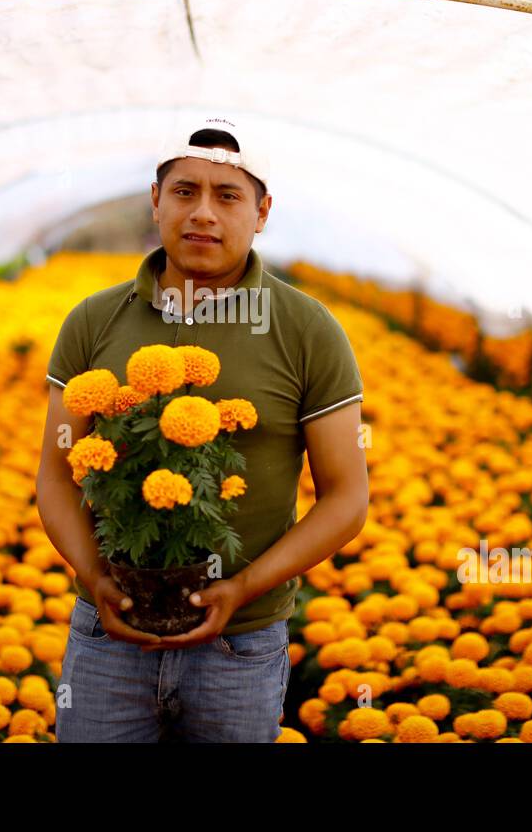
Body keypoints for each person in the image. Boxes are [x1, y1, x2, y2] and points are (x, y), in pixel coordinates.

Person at [36, 114, 369, 742]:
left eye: (228, 195)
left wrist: (242, 588)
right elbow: (56, 473)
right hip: (108, 637)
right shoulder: (94, 320)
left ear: (262, 211)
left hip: (241, 649)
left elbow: (348, 498)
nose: (203, 214)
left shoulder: (307, 328)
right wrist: (96, 578)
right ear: (156, 201)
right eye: (185, 192)